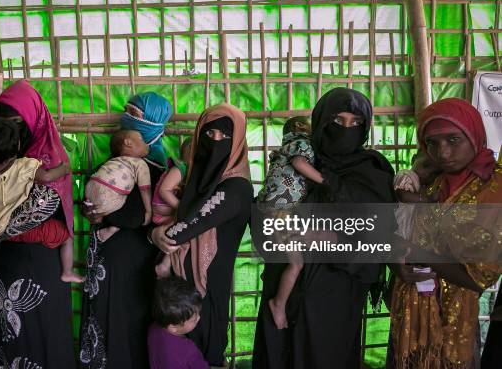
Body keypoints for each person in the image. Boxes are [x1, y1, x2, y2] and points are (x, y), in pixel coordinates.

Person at [252, 87, 396, 368]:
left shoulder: (371, 169)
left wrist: (320, 234)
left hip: (335, 293)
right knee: (279, 353)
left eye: (355, 123)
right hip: (285, 281)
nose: (346, 129)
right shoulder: (298, 162)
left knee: (324, 354)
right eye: (337, 121)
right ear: (320, 121)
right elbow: (266, 212)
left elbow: (379, 231)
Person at [389, 98, 502, 368]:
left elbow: (478, 277)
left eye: (453, 140)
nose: (443, 153)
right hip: (411, 310)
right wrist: (398, 263)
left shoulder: (492, 187)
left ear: (474, 137)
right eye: (432, 143)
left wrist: (416, 253)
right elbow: (399, 232)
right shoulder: (430, 183)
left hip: (454, 315)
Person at [0, 80, 75, 368]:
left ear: (32, 120)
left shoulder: (48, 158)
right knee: (3, 336)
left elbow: (38, 209)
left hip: (36, 264)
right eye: (3, 123)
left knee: (38, 334)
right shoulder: (2, 154)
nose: (9, 131)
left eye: (16, 123)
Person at [151, 103, 253, 366]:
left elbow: (189, 225)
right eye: (210, 135)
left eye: (225, 137)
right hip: (180, 291)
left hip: (205, 291)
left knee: (202, 351)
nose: (216, 142)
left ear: (238, 141)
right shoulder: (199, 182)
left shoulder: (235, 187)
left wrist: (157, 234)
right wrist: (157, 234)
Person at [79, 92, 172, 369]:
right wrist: (92, 212)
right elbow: (94, 201)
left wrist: (105, 214)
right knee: (106, 320)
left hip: (135, 257)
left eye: (138, 113)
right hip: (106, 254)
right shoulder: (117, 160)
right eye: (128, 109)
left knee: (128, 323)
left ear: (155, 125)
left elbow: (140, 217)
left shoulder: (161, 171)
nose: (129, 117)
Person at [0, 119, 82, 282]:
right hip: (23, 226)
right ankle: (67, 272)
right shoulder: (24, 166)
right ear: (18, 145)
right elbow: (47, 177)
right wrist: (63, 168)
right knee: (66, 235)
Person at [257, 117, 323, 330]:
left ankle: (271, 281)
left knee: (284, 257)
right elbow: (299, 163)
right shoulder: (302, 144)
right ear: (301, 128)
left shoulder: (285, 148)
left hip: (270, 209)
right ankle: (278, 304)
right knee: (296, 263)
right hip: (280, 211)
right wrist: (325, 181)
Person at [84, 130, 152, 242]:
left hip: (91, 188)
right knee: (131, 211)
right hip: (109, 194)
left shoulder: (112, 162)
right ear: (128, 142)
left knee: (98, 210)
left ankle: (99, 216)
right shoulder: (139, 163)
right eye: (142, 140)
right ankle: (113, 228)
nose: (147, 144)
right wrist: (149, 212)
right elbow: (145, 189)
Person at [147, 276, 208, 369]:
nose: (199, 318)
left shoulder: (153, 329)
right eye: (193, 319)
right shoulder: (188, 350)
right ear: (173, 327)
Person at [153, 137, 192, 278]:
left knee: (179, 234)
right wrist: (180, 207)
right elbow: (164, 190)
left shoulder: (186, 171)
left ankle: (165, 264)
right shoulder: (180, 168)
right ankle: (164, 265)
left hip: (166, 210)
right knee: (184, 228)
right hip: (162, 208)